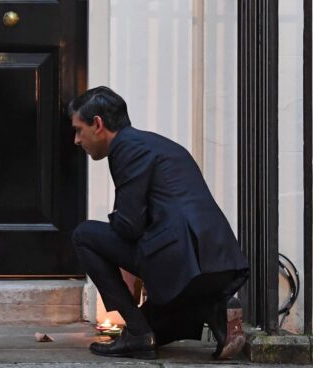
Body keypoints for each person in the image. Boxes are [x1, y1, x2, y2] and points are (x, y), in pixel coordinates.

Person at [69, 86, 249, 360]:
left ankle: (138, 333)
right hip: (215, 266)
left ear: (98, 124)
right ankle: (212, 308)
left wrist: (117, 227)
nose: (76, 140)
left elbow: (129, 226)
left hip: (185, 264)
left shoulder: (126, 149)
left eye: (79, 129)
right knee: (156, 331)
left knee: (84, 235)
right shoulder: (155, 143)